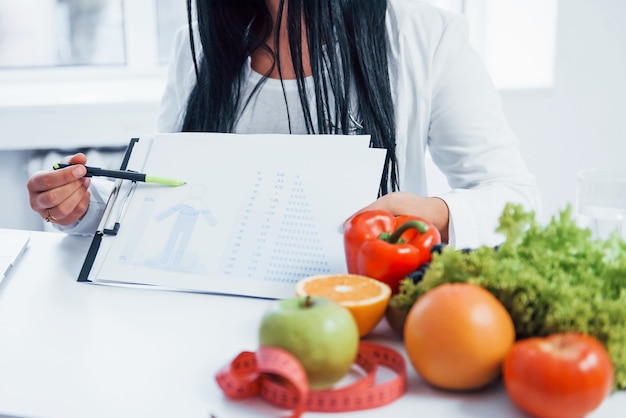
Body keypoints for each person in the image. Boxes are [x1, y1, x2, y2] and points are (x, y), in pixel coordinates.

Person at [26, 0, 541, 249]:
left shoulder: (426, 35)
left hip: (363, 319)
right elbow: (167, 191)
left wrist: (436, 212)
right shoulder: (201, 45)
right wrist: (81, 208)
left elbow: (516, 199)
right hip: (209, 315)